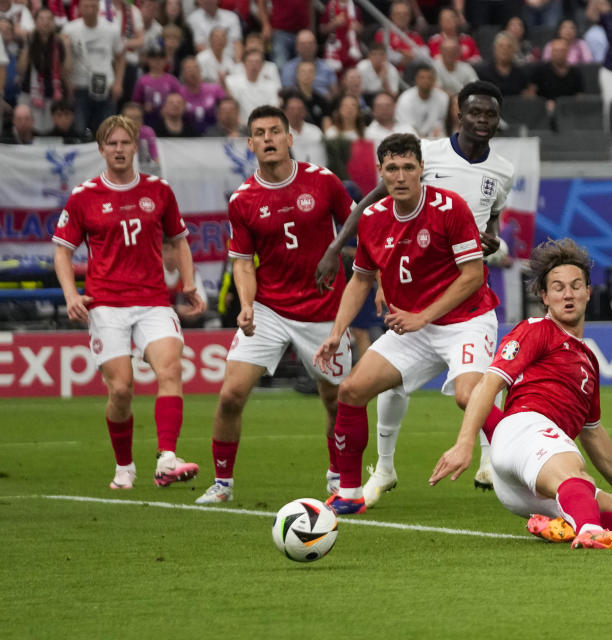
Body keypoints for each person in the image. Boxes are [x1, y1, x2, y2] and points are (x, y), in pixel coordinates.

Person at [315, 81, 515, 505]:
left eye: (409, 168)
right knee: (352, 391)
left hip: (463, 317)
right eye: (393, 169)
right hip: (414, 319)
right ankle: (350, 491)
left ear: (421, 168)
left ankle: (534, 461)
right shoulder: (373, 217)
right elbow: (360, 279)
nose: (401, 176)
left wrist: (491, 236)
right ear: (382, 173)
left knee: (468, 396)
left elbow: (474, 275)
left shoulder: (455, 205)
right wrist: (336, 333)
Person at [429, 238, 612, 550]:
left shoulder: (589, 361)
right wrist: (465, 444)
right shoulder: (536, 330)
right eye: (558, 287)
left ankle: (563, 524)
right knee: (574, 474)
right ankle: (588, 531)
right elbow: (489, 385)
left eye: (576, 286)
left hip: (527, 482)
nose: (568, 294)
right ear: (545, 297)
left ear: (589, 292)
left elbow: (593, 435)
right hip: (527, 433)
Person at [194, 105, 355, 504]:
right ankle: (222, 485)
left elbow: (358, 228)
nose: (268, 138)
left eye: (274, 131)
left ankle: (338, 477)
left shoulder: (323, 182)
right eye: (260, 133)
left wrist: (340, 252)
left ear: (289, 138)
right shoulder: (243, 200)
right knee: (231, 394)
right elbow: (243, 262)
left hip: (323, 309)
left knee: (336, 400)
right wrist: (246, 305)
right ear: (250, 144)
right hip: (268, 310)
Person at [52, 114, 206, 491]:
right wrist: (72, 294)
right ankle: (125, 466)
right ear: (102, 149)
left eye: (125, 143)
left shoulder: (159, 191)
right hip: (106, 304)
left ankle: (167, 458)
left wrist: (188, 282)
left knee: (170, 370)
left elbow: (179, 240)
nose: (119, 150)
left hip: (154, 301)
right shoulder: (85, 196)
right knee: (121, 389)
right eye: (112, 144)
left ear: (135, 146)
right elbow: (62, 250)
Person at [61, 0, 125, 136]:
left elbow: (121, 56)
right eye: (86, 6)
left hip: (106, 86)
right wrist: (67, 85)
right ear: (79, 8)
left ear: (98, 8)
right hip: (80, 86)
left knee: (107, 132)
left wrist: (118, 83)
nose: (90, 10)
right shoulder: (69, 29)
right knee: (79, 130)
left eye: (93, 6)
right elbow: (62, 61)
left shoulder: (112, 28)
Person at [16, 7, 69, 135]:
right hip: (29, 92)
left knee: (49, 131)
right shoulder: (29, 40)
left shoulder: (58, 43)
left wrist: (68, 47)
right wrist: (27, 45)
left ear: (53, 23)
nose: (45, 22)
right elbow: (21, 69)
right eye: (41, 19)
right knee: (28, 129)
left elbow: (66, 71)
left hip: (52, 93)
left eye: (48, 19)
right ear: (36, 22)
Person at [279, 29, 338, 101]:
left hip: (322, 105)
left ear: (316, 46)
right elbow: (286, 93)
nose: (307, 47)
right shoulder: (288, 68)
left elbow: (335, 95)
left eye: (310, 43)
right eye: (303, 44)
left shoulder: (327, 68)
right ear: (296, 47)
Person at [225, 48, 281, 122]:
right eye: (250, 62)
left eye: (257, 62)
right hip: (241, 127)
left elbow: (274, 107)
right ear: (244, 64)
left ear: (262, 65)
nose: (254, 65)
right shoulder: (231, 82)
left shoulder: (271, 86)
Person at [132, 46, 181, 128]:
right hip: (147, 119)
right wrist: (144, 108)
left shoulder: (172, 81)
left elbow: (179, 99)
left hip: (168, 120)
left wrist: (169, 108)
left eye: (161, 58)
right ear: (148, 60)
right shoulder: (142, 81)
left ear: (165, 60)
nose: (157, 62)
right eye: (154, 58)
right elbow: (135, 103)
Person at [532, 37, 584, 115]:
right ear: (551, 52)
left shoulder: (576, 72)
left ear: (568, 52)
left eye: (562, 50)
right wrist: (543, 104)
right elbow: (531, 95)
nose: (559, 53)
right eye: (556, 50)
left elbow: (580, 96)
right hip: (544, 113)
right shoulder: (540, 71)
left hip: (570, 112)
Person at [395, 63, 449, 138]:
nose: (426, 81)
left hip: (436, 139)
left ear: (434, 80)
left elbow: (446, 122)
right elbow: (405, 126)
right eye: (422, 77)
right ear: (416, 79)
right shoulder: (405, 98)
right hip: (411, 139)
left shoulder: (443, 98)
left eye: (429, 78)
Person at [475, 31, 534, 97]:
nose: (505, 49)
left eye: (509, 47)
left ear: (515, 50)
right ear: (494, 49)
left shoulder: (521, 75)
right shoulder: (482, 72)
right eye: (501, 46)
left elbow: (527, 95)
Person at [179, 55, 225, 135]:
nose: (192, 71)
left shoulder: (214, 89)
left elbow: (228, 107)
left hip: (213, 135)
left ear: (200, 70)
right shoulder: (179, 93)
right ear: (183, 73)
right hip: (186, 137)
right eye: (188, 68)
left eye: (195, 67)